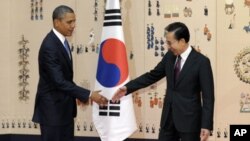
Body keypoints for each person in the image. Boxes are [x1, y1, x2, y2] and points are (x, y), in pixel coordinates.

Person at [112, 22, 214, 141]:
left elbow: (208, 97)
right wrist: (128, 88)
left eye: (170, 43)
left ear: (182, 41)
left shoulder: (202, 62)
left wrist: (206, 125)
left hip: (190, 122)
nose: (168, 46)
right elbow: (152, 76)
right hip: (168, 120)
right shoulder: (169, 57)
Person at [32, 5, 108, 141]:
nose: (73, 25)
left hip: (63, 111)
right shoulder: (50, 46)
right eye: (69, 22)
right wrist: (89, 95)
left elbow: (64, 78)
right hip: (53, 113)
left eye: (74, 21)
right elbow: (59, 81)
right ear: (56, 22)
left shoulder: (61, 42)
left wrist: (79, 94)